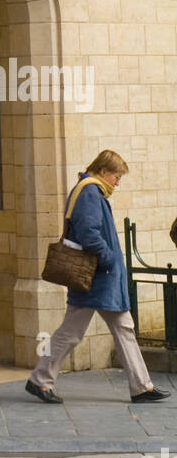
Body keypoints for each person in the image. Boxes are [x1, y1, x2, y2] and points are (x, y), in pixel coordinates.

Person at [26, 149, 171, 405]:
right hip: (96, 279)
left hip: (100, 280)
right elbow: (89, 232)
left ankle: (142, 386)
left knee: (121, 328)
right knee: (73, 332)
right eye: (116, 176)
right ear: (104, 172)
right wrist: (108, 258)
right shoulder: (90, 193)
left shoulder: (90, 191)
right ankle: (40, 379)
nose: (118, 182)